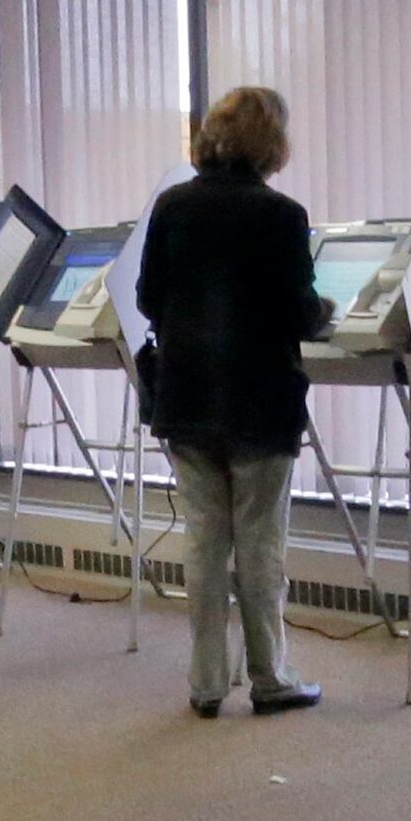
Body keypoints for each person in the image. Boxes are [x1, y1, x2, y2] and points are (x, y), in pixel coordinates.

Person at [135, 85, 328, 719]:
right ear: (273, 145)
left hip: (186, 395)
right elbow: (299, 312)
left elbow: (145, 298)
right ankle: (271, 677)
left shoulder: (172, 206)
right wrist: (324, 313)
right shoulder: (282, 215)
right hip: (259, 402)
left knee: (203, 543)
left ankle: (206, 683)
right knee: (259, 543)